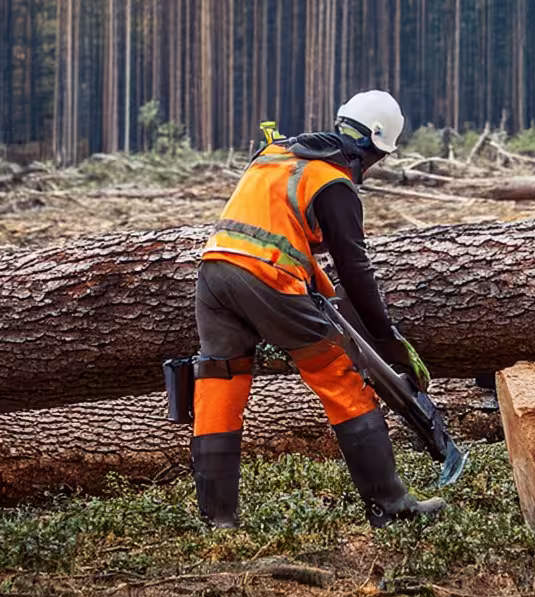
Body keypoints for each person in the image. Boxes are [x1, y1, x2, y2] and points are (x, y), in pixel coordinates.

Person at [189, 90, 445, 529]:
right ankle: (391, 505)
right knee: (341, 374)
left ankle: (219, 520)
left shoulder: (277, 156)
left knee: (220, 383)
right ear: (372, 147)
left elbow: (281, 236)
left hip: (213, 276)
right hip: (266, 279)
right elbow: (356, 271)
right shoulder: (332, 181)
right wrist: (387, 340)